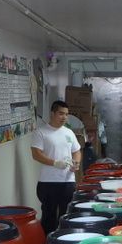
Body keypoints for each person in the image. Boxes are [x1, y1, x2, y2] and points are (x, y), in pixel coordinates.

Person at [31, 100, 81, 234]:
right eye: (61, 114)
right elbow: (36, 154)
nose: (64, 117)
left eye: (66, 114)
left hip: (68, 180)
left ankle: (64, 239)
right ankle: (48, 243)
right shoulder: (41, 132)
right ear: (52, 113)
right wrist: (54, 163)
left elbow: (76, 151)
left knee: (66, 214)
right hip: (48, 182)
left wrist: (76, 163)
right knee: (49, 215)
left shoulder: (69, 133)